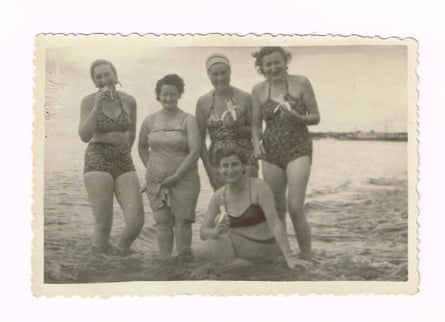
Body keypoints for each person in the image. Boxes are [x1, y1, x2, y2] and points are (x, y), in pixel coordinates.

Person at [251, 47, 320, 260]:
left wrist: (297, 117)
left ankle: (307, 257)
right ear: (261, 67)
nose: (273, 68)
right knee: (277, 207)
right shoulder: (258, 90)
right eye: (268, 64)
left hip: (298, 147)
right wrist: (255, 144)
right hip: (271, 150)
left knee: (295, 206)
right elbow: (255, 125)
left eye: (277, 62)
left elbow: (316, 117)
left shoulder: (301, 83)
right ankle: (285, 256)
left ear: (286, 61)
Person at [79, 59, 144, 255]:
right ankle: (97, 266)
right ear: (94, 82)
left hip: (123, 158)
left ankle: (117, 254)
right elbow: (84, 135)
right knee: (104, 223)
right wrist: (96, 108)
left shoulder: (129, 101)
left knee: (135, 222)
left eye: (107, 74)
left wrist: (124, 151)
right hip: (97, 157)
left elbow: (132, 133)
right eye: (98, 77)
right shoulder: (89, 101)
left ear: (115, 75)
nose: (104, 79)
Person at [197, 146, 300, 269]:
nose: (230, 170)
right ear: (218, 169)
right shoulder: (218, 196)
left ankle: (238, 264)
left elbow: (275, 224)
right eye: (225, 166)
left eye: (235, 164)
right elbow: (203, 232)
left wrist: (289, 258)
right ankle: (236, 263)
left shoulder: (258, 188)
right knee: (197, 252)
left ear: (244, 166)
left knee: (224, 264)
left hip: (264, 248)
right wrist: (216, 231)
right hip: (235, 245)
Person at [138, 74, 201, 260]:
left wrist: (177, 175)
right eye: (164, 94)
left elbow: (195, 151)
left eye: (172, 94)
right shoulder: (149, 121)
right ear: (158, 96)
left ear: (179, 94)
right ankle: (165, 263)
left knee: (183, 223)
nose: (168, 98)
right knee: (163, 223)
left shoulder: (188, 120)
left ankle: (182, 263)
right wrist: (151, 168)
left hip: (185, 179)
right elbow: (142, 147)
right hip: (156, 180)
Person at [196, 53, 258, 190]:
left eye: (224, 73)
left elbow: (256, 132)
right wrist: (210, 170)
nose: (220, 78)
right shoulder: (203, 102)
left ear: (230, 71)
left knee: (249, 203)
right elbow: (200, 142)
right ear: (209, 75)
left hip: (245, 159)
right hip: (219, 161)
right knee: (226, 204)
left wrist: (238, 128)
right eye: (215, 74)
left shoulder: (245, 98)